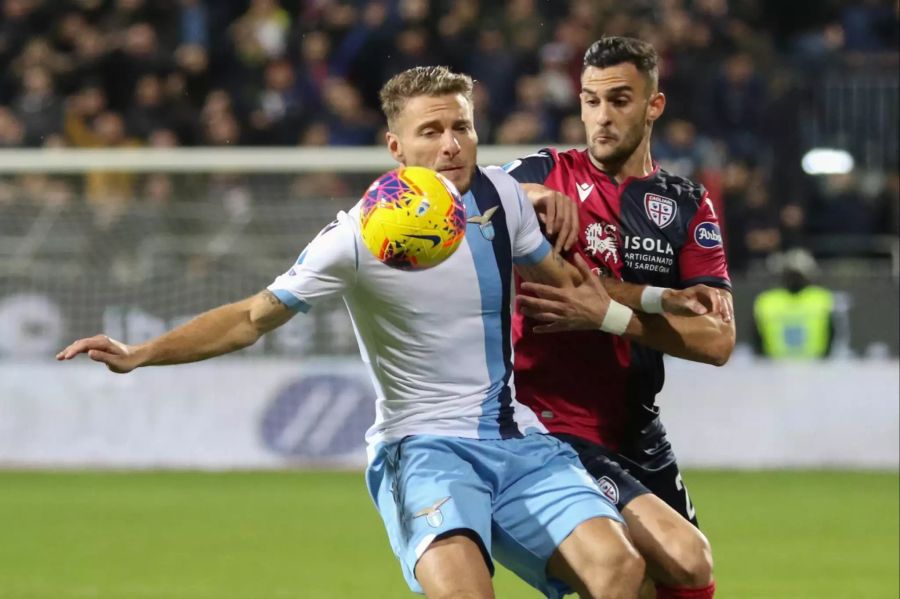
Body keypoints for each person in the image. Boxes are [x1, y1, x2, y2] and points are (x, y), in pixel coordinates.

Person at [57, 65, 725, 599]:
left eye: (461, 126)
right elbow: (252, 317)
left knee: (621, 571)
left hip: (517, 438)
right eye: (432, 130)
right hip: (423, 451)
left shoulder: (504, 199)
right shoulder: (354, 237)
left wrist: (668, 296)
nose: (451, 144)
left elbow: (573, 287)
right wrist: (141, 353)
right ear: (396, 147)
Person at [505, 37, 736, 599]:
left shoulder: (686, 204)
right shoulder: (545, 175)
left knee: (682, 578)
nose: (601, 118)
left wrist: (610, 314)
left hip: (636, 425)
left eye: (619, 100)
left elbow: (717, 339)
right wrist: (529, 194)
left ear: (654, 106)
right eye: (590, 100)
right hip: (552, 424)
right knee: (671, 560)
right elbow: (464, 197)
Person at [753, 248, 835, 359]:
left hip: (814, 367)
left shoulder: (821, 298)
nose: (794, 279)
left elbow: (831, 336)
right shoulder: (766, 301)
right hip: (775, 369)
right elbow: (757, 340)